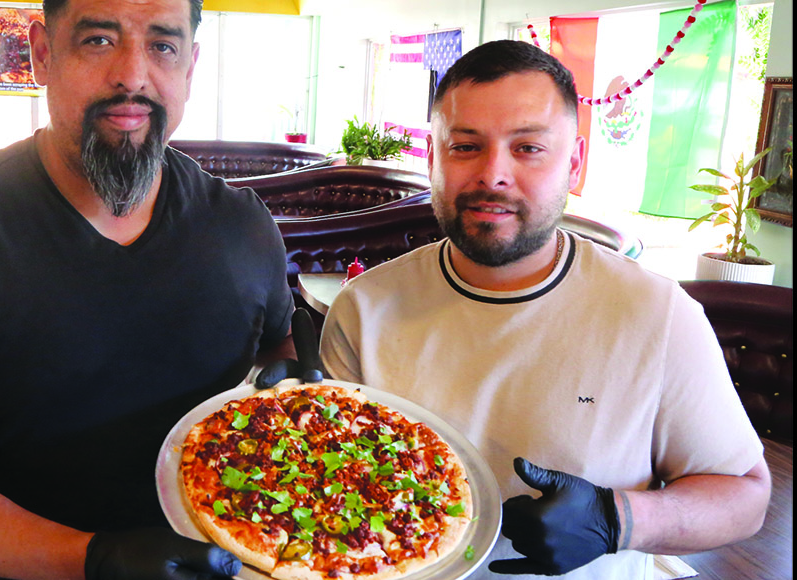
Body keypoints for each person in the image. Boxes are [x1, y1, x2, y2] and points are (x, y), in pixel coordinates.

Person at [0, 0, 293, 578]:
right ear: (41, 55)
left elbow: (277, 352)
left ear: (190, 66)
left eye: (162, 46)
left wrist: (289, 379)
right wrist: (93, 559)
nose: (133, 74)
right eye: (99, 40)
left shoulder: (244, 225)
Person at [319, 40, 771, 579]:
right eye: (466, 146)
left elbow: (745, 497)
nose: (493, 174)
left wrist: (619, 518)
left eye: (528, 148)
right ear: (434, 157)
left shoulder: (657, 314)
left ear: (574, 163)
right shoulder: (363, 309)